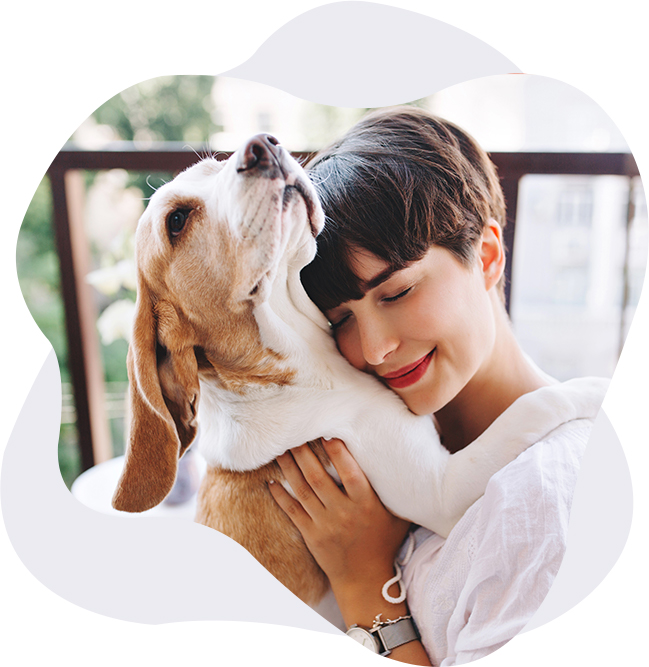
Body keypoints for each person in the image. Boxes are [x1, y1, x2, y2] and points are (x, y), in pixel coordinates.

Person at [267, 106, 608, 665]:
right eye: (341, 319)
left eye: (397, 292)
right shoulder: (367, 452)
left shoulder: (542, 501)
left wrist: (364, 580)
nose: (374, 348)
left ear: (487, 256)